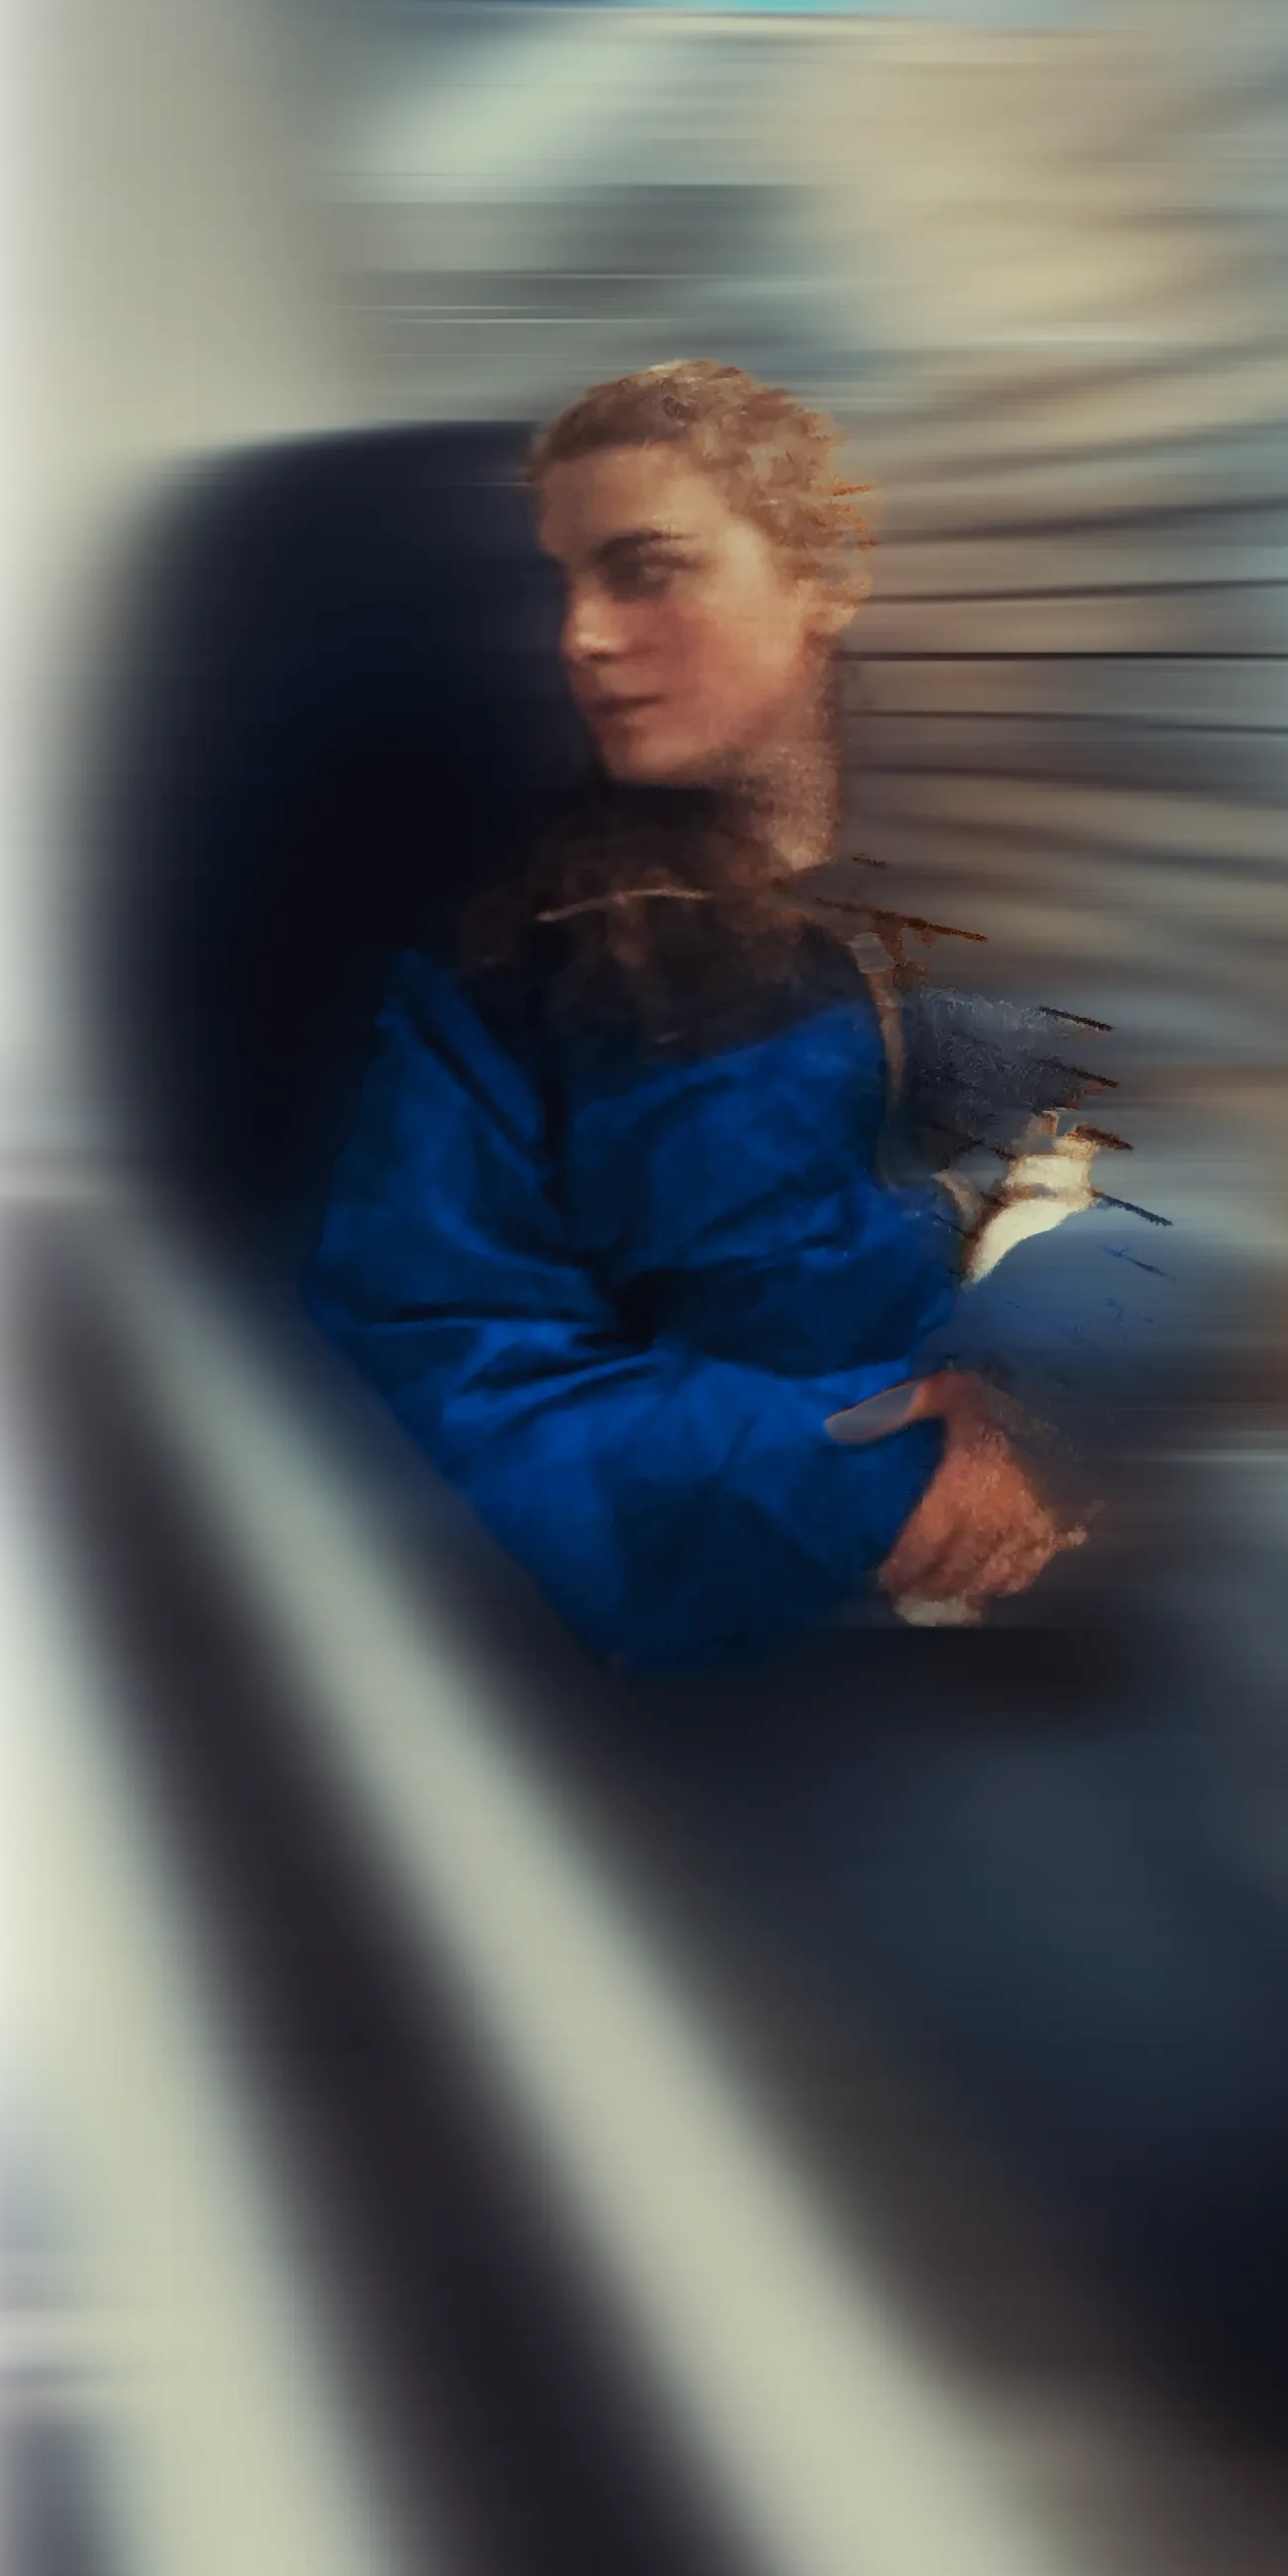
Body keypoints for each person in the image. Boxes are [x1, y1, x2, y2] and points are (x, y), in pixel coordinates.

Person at [303, 358, 1110, 1672]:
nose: (582, 637)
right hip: (782, 1681)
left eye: (644, 570)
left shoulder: (1018, 884)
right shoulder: (510, 993)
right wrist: (902, 1482)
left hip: (1117, 1607)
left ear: (823, 577)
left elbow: (1201, 1163)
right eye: (558, 587)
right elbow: (458, 1398)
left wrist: (1073, 1386)